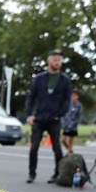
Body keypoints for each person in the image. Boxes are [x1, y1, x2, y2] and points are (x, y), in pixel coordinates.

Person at [25, 50, 72, 183]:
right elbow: (31, 97)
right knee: (34, 147)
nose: (57, 62)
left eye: (59, 60)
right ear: (49, 61)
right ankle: (31, 173)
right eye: (55, 60)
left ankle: (57, 174)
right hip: (39, 118)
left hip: (54, 119)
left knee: (57, 147)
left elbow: (66, 100)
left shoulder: (65, 80)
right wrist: (29, 114)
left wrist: (59, 114)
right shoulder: (39, 79)